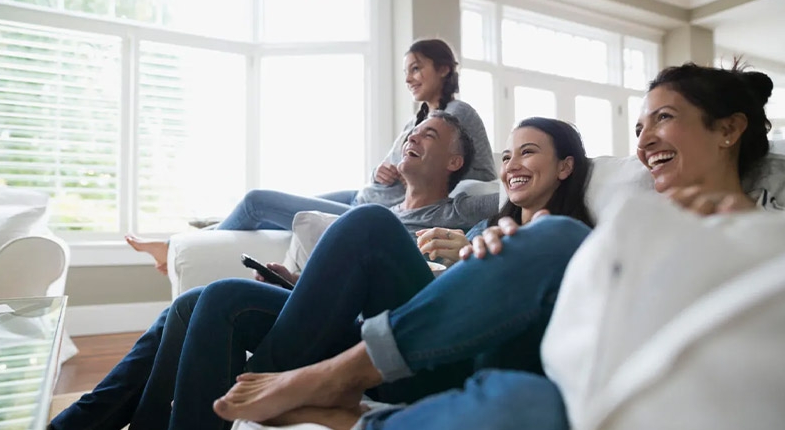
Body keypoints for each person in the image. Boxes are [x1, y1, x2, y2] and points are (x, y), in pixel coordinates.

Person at [209, 61, 779, 430]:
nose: (646, 139)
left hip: (573, 375)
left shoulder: (765, 236)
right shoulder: (626, 215)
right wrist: (499, 255)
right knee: (547, 237)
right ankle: (337, 374)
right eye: (638, 128)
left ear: (728, 129)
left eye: (665, 119)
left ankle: (356, 417)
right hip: (521, 338)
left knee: (523, 406)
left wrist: (719, 235)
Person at [123, 117, 592, 430]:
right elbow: (431, 294)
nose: (512, 165)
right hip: (405, 327)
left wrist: (471, 255)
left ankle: (282, 380)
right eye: (508, 156)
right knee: (223, 298)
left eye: (528, 153)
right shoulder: (481, 226)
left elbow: (538, 311)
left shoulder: (580, 241)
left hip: (445, 358)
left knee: (369, 225)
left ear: (566, 166)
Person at [49, 110, 496, 430]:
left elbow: (463, 286)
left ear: (456, 164)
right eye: (412, 132)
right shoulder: (383, 201)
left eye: (429, 136)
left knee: (360, 226)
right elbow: (349, 279)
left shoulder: (464, 221)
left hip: (397, 340)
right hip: (343, 322)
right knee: (196, 303)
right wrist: (302, 283)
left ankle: (251, 399)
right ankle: (87, 422)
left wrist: (464, 248)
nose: (412, 138)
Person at [126, 38, 496, 274]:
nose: (409, 78)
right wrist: (385, 171)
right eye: (406, 71)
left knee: (257, 202)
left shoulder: (457, 116)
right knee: (264, 208)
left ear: (444, 69)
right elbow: (389, 169)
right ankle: (209, 227)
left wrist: (423, 177)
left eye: (417, 68)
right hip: (362, 195)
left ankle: (180, 246)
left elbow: (478, 176)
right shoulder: (416, 120)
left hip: (370, 211)